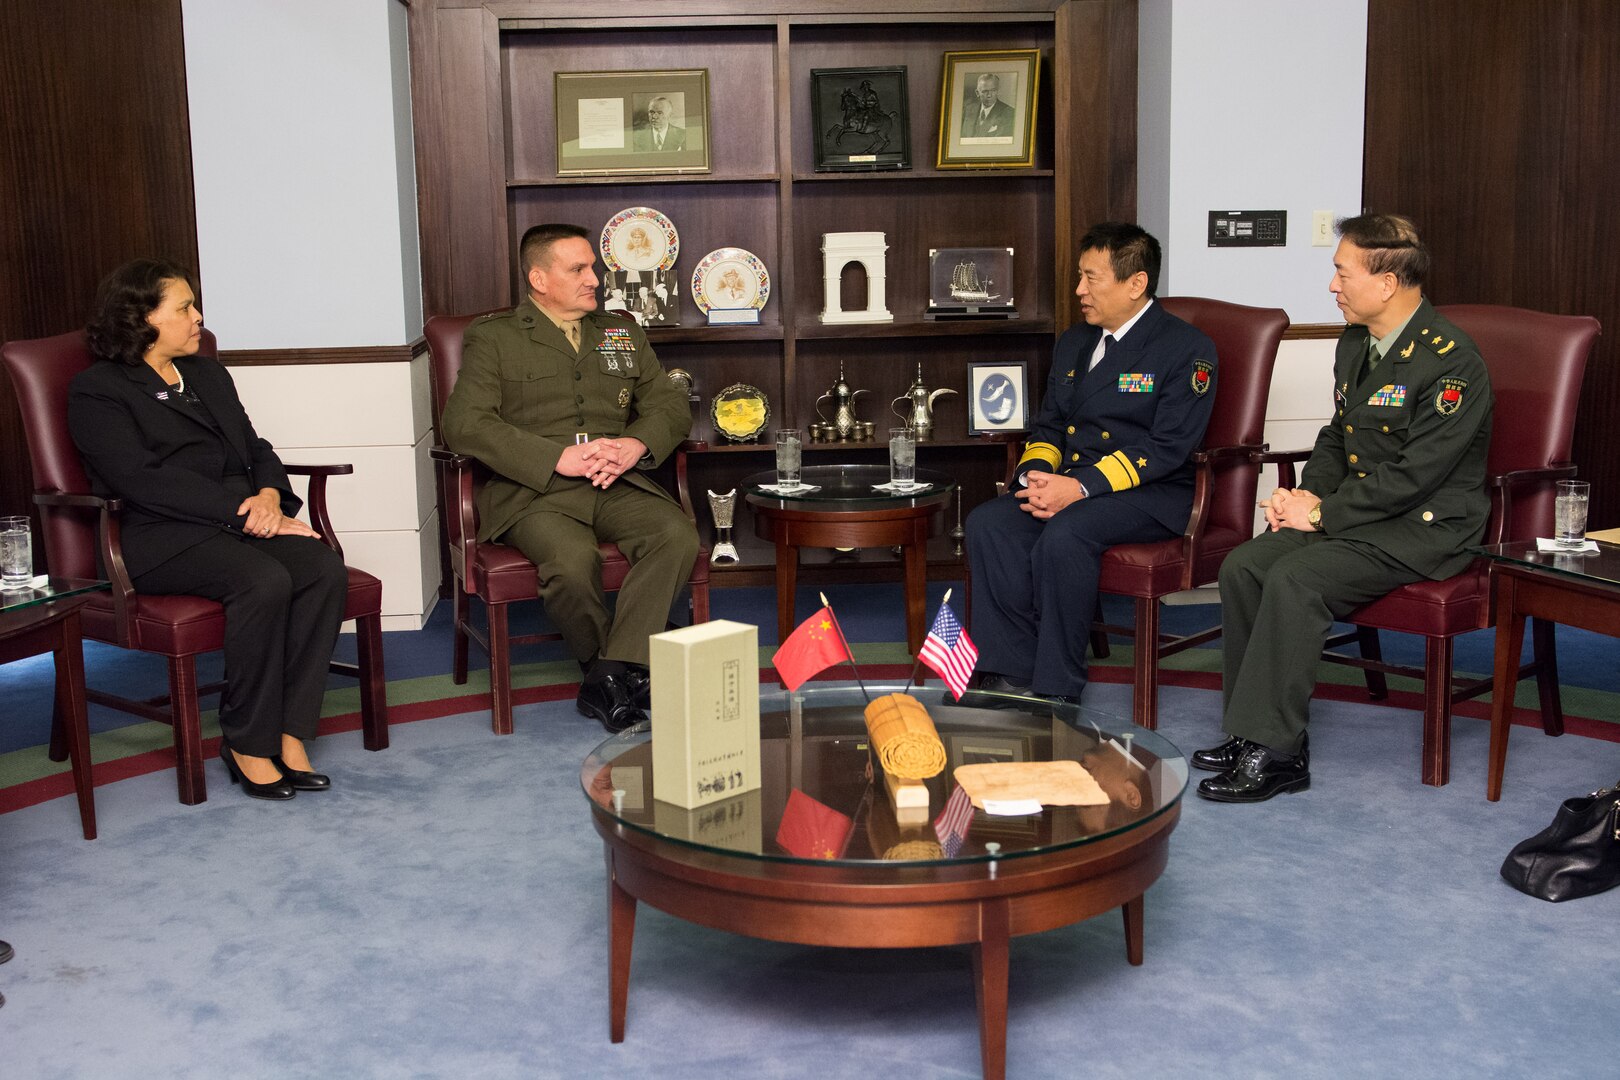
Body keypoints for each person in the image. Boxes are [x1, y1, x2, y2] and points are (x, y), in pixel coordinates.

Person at [1194, 213, 1493, 803]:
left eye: (1341, 272)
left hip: (1423, 531)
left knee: (1297, 578)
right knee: (1245, 566)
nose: (1332, 285)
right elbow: (1339, 435)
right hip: (1363, 517)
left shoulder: (1452, 362)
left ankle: (1276, 755)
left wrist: (1324, 515)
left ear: (1386, 282)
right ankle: (1255, 729)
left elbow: (1415, 475)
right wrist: (1305, 494)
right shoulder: (1357, 342)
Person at [69, 259, 347, 801]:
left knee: (320, 568)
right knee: (262, 580)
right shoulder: (97, 390)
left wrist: (269, 494)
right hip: (154, 536)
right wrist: (247, 511)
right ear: (141, 318)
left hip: (233, 521)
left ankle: (289, 732)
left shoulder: (207, 374)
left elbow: (255, 448)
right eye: (184, 308)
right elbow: (142, 481)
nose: (199, 317)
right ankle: (245, 740)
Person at [441, 224, 698, 733]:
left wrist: (635, 444)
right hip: (537, 492)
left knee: (676, 536)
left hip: (615, 480)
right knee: (571, 562)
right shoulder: (495, 337)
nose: (594, 280)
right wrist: (553, 458)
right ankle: (616, 672)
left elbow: (668, 402)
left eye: (593, 268)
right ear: (539, 278)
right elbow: (463, 423)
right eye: (578, 269)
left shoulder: (621, 329)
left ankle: (610, 673)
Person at [965, 223, 1217, 704]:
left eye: (1091, 278)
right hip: (1074, 484)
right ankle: (1009, 670)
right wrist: (1034, 476)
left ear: (1135, 284)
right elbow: (1051, 426)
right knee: (988, 523)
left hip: (1152, 493)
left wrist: (1077, 489)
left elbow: (1167, 448)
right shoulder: (1075, 342)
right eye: (1079, 277)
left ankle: (1055, 685)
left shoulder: (1187, 350)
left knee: (1067, 532)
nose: (1079, 290)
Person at [961, 73, 1016, 139]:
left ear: (997, 91)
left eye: (993, 90)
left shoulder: (1009, 113)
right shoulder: (967, 110)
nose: (989, 95)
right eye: (985, 91)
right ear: (977, 93)